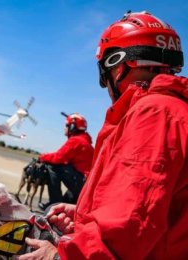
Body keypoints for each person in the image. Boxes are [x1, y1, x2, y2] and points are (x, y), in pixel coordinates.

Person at [17, 11, 188, 259]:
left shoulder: (154, 114)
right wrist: (84, 213)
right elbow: (154, 206)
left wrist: (58, 256)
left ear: (117, 67)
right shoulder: (175, 110)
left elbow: (131, 224)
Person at [38, 113, 94, 210]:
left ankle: (54, 203)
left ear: (72, 127)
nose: (65, 128)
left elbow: (57, 158)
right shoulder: (85, 142)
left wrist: (42, 156)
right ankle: (66, 203)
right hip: (86, 184)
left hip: (81, 183)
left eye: (66, 126)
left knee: (53, 166)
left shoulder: (76, 141)